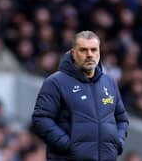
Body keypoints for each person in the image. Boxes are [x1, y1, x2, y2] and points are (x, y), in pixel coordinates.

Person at [32, 31, 129, 161]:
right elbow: (41, 119)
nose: (90, 55)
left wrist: (118, 143)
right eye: (83, 50)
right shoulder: (55, 82)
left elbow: (122, 119)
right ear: (73, 53)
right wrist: (68, 145)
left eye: (94, 50)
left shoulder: (109, 82)